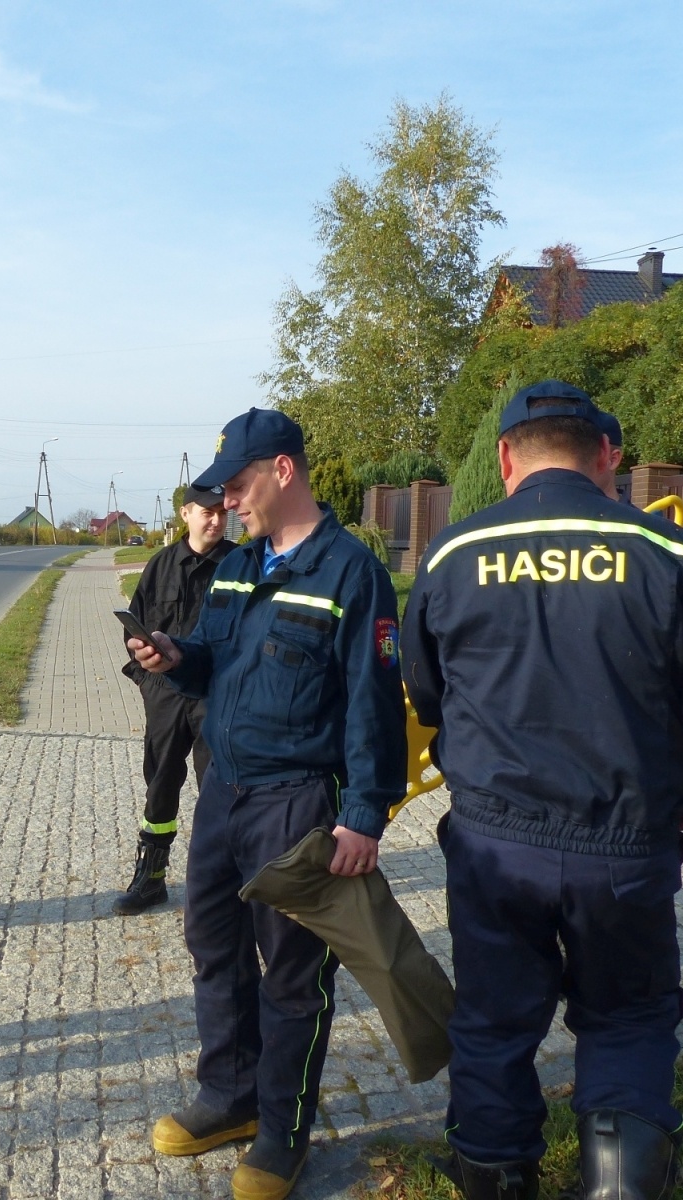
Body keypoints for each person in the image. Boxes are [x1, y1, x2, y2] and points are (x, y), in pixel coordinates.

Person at [401, 380, 683, 1200]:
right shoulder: (672, 555)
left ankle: (494, 1174)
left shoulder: (449, 556)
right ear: (607, 454)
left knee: (496, 1018)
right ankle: (620, 1183)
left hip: (496, 843)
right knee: (628, 1015)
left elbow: (425, 700)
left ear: (505, 458)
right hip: (628, 843)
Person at [129, 408, 406, 1200]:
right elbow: (215, 663)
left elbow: (373, 702)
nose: (230, 503)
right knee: (211, 943)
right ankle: (229, 1097)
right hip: (226, 792)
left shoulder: (352, 572)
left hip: (298, 802)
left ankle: (283, 1133)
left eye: (240, 485)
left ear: (283, 471)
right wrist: (175, 657)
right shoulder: (239, 566)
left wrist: (363, 814)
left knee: (291, 974)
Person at [113, 483, 234, 915]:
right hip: (164, 695)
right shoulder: (160, 564)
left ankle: (220, 882)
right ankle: (152, 878)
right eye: (207, 512)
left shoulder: (240, 564)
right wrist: (143, 674)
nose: (216, 519)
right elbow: (134, 628)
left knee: (217, 786)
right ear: (186, 514)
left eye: (222, 512)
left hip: (213, 695)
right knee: (160, 782)